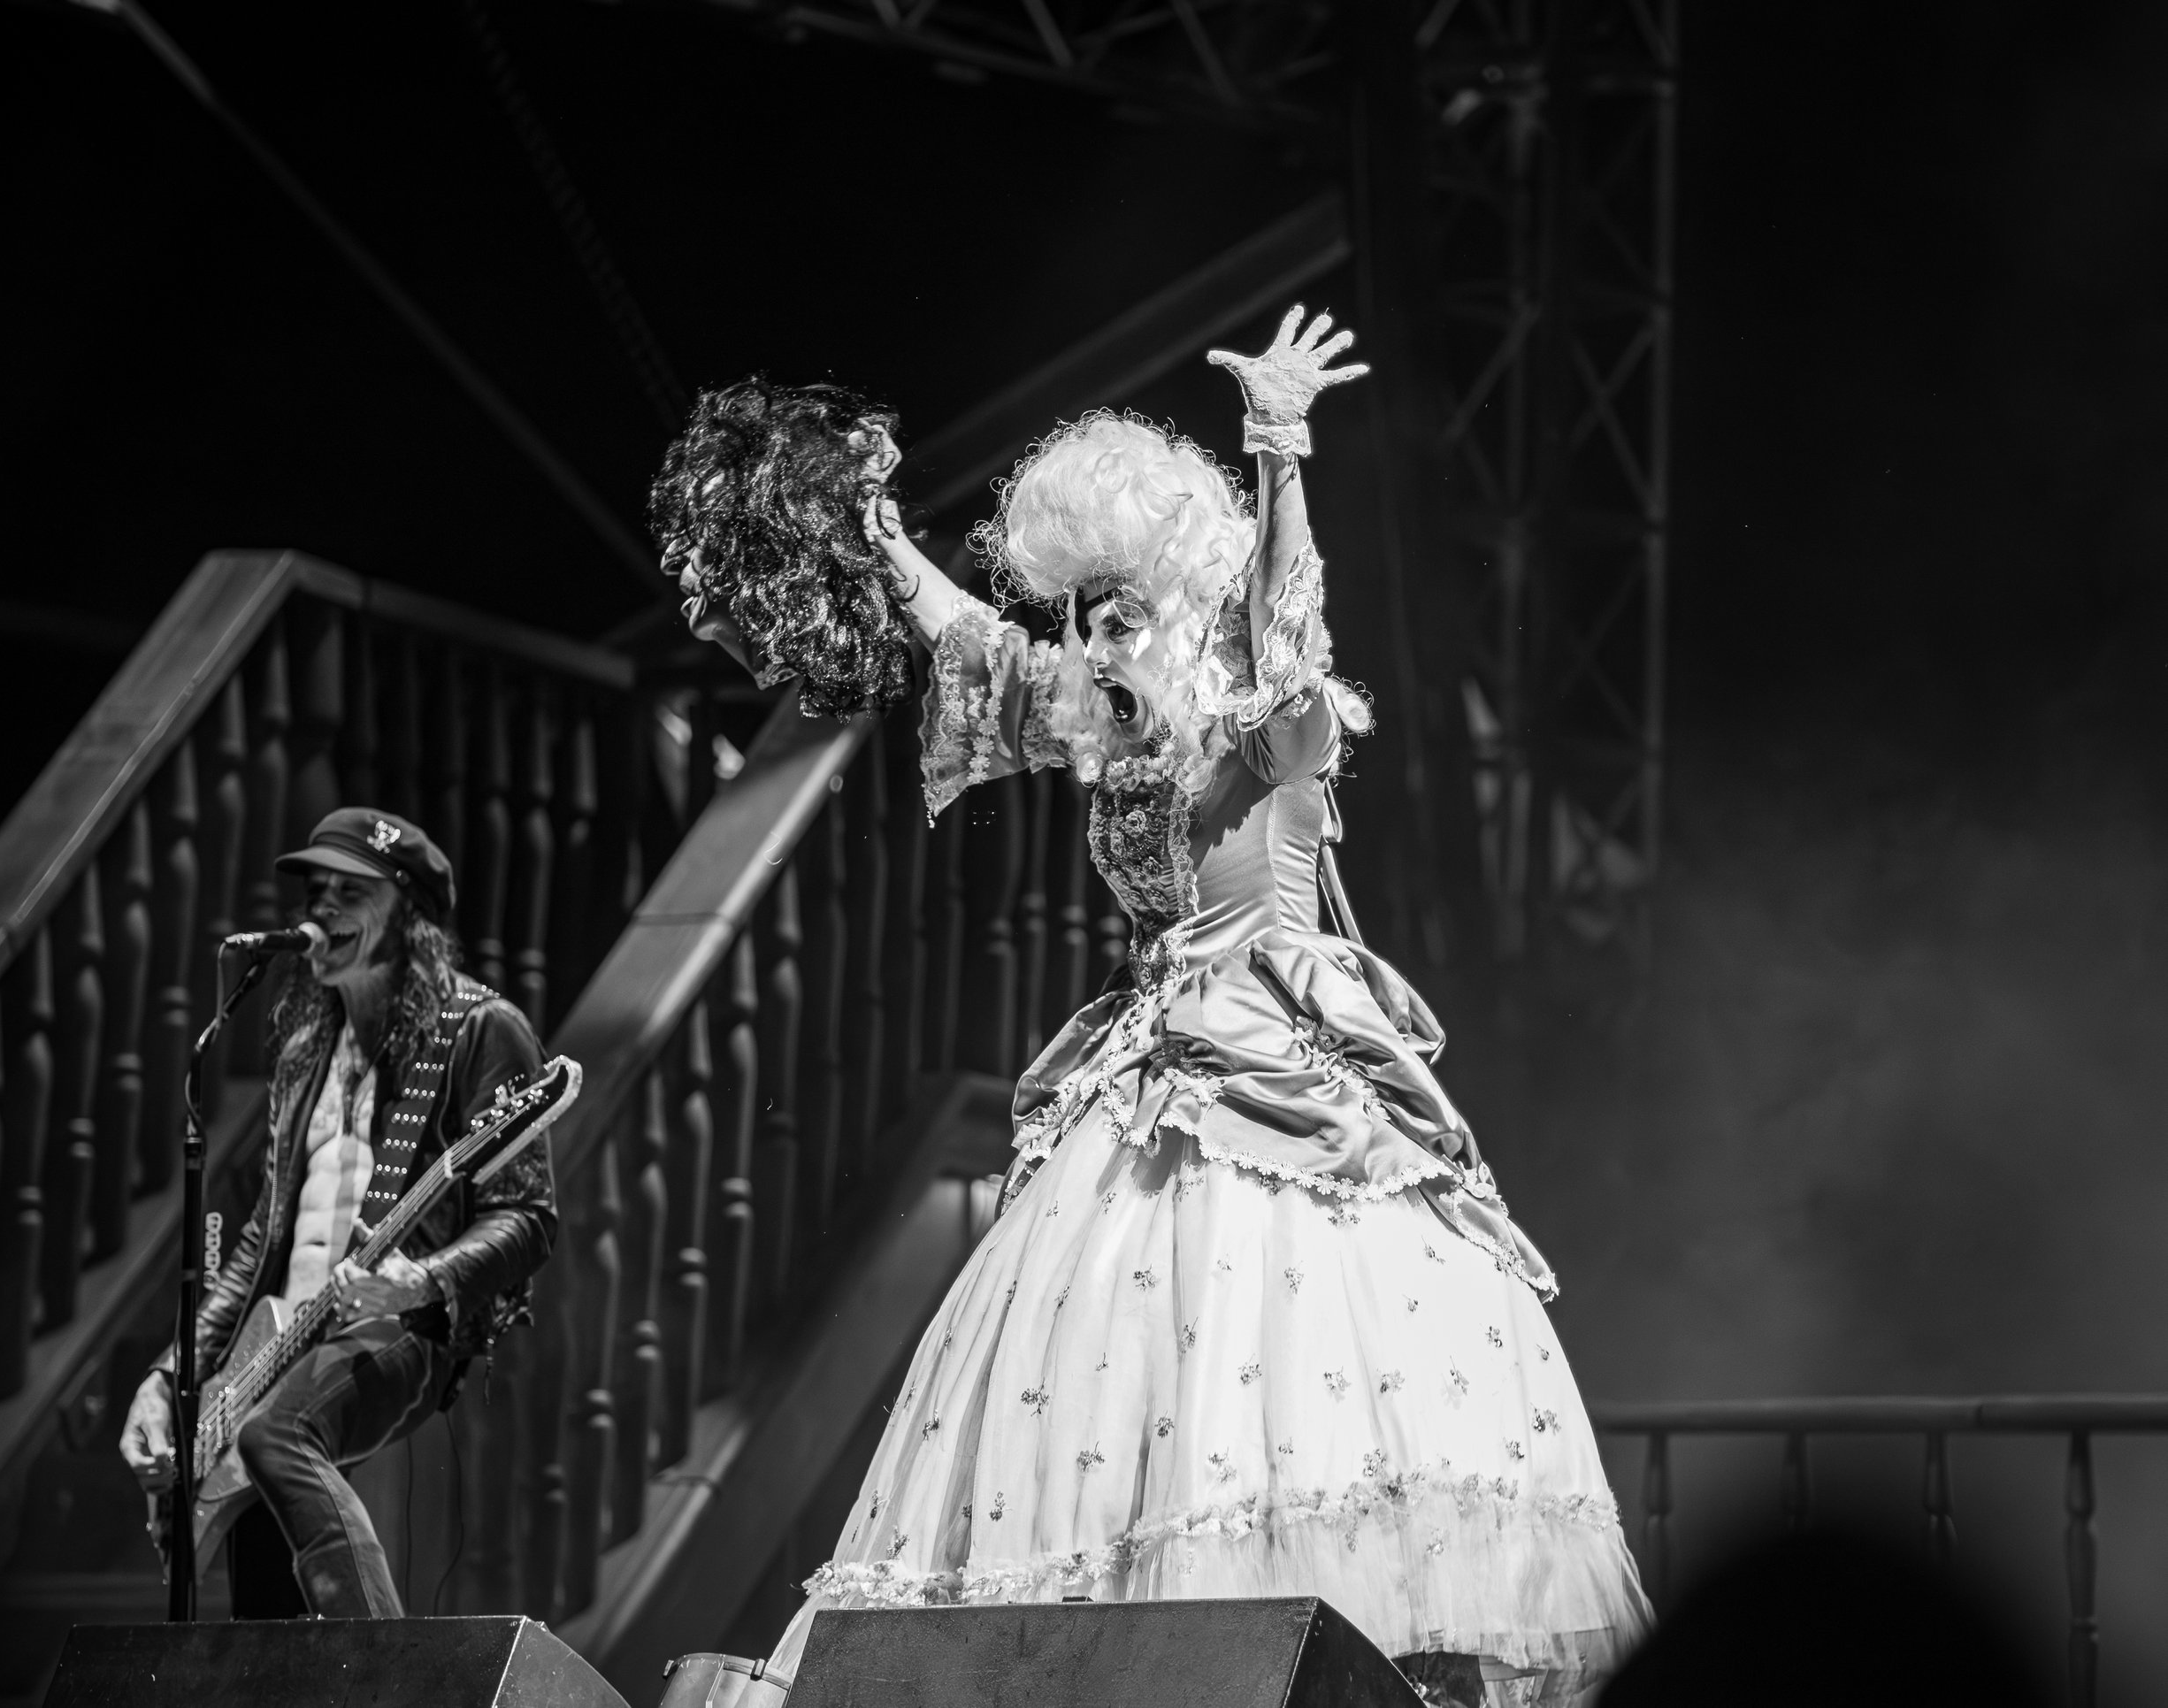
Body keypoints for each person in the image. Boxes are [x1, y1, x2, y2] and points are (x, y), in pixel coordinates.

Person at [666, 310, 1651, 1706]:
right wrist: (879, 538)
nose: (1089, 638)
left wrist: (1279, 447)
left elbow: (1289, 626)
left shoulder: (1273, 731)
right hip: (1148, 1075)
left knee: (1288, 1379)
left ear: (1186, 606)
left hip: (1283, 1063)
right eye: (1081, 613)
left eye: (1118, 612)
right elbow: (981, 648)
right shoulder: (1107, 729)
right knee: (1104, 1390)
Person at [117, 808, 557, 1619]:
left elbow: (528, 1216)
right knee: (262, 1597)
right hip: (278, 1344)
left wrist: (421, 1281)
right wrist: (171, 1376)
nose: (322, 906)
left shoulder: (479, 1027)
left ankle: (383, 1670)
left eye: (352, 892)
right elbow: (259, 1243)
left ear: (411, 916)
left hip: (403, 1326)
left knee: (275, 1434)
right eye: (317, 888)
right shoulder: (304, 1053)